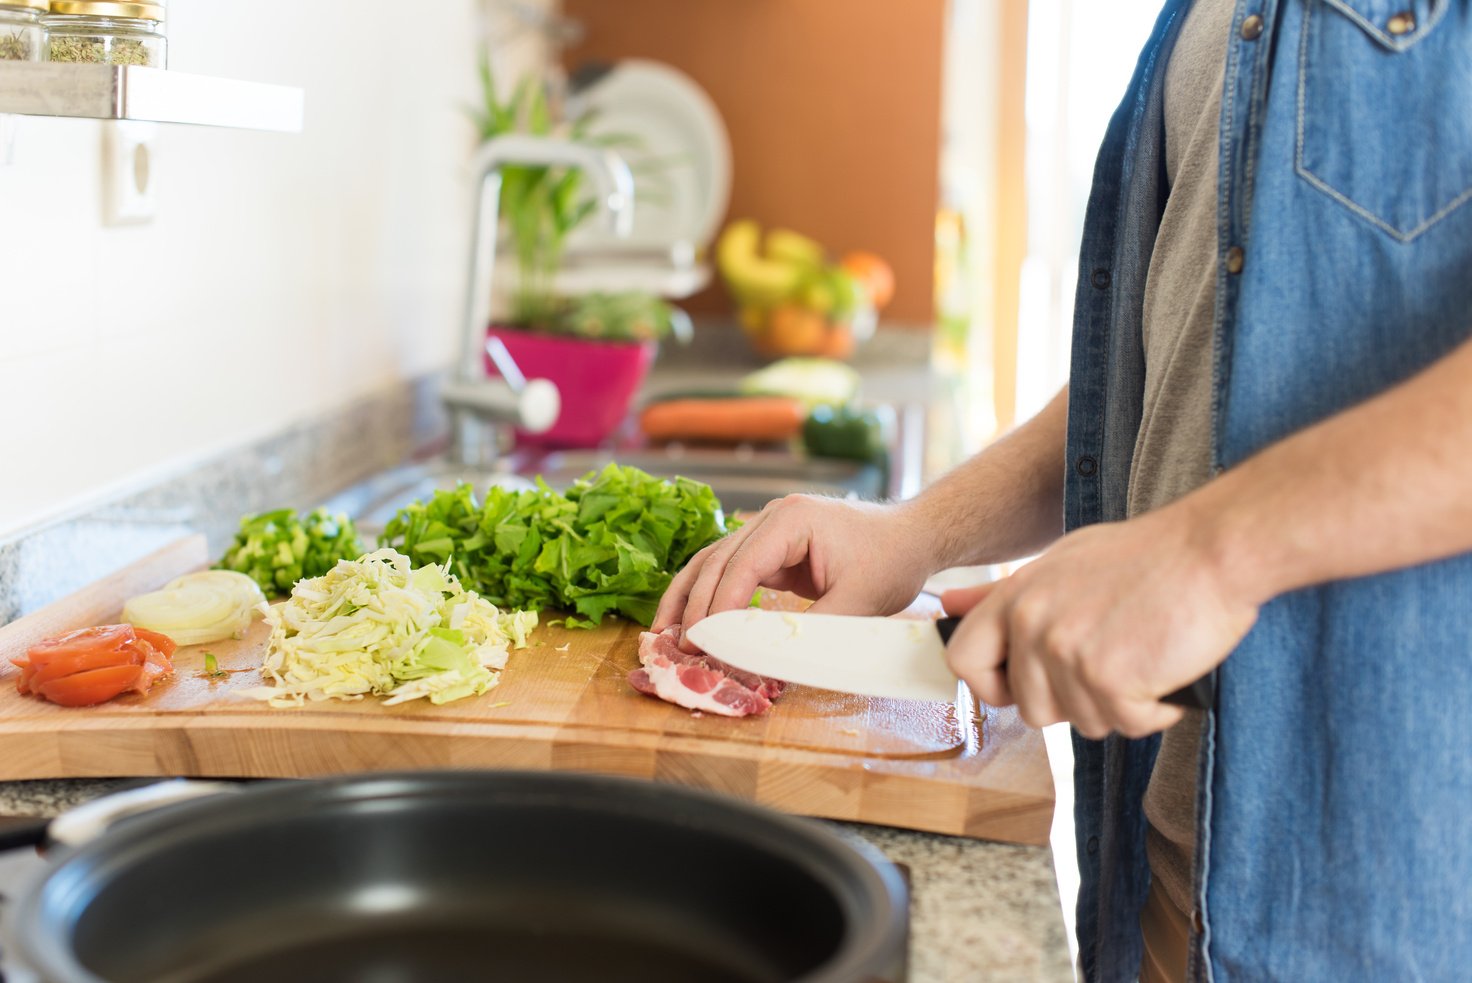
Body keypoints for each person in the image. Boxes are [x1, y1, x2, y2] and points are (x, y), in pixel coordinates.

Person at [654, 0, 1472, 979]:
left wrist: (1209, 552)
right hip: (1168, 885)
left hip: (1384, 909)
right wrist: (915, 534)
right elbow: (1153, 368)